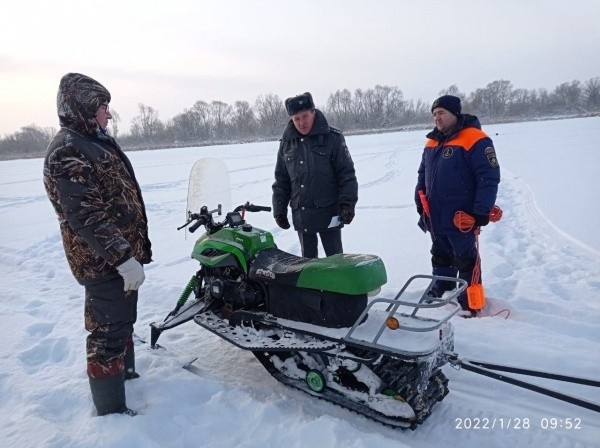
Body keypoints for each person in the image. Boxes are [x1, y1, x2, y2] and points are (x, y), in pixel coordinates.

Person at [43, 73, 152, 415]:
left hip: (117, 256)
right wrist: (122, 258)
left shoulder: (93, 140)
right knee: (107, 332)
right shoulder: (68, 150)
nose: (108, 114)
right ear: (86, 108)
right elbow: (85, 215)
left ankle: (126, 375)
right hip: (101, 261)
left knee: (122, 319)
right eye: (104, 107)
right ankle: (111, 410)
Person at [415, 95, 500, 317]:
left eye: (441, 113)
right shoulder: (432, 141)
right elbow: (422, 173)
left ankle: (471, 300)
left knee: (467, 258)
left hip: (461, 215)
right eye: (434, 114)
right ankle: (443, 285)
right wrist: (419, 200)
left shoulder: (475, 139)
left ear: (455, 114)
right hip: (436, 214)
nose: (437, 118)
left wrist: (481, 211)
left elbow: (488, 177)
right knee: (440, 253)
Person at [272, 92, 358, 258]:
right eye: (296, 119)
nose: (301, 123)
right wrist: (279, 209)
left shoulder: (333, 139)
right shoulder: (286, 144)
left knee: (335, 264)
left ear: (313, 112)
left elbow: (346, 175)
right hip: (302, 215)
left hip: (329, 214)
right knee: (307, 270)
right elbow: (282, 180)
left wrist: (347, 203)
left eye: (304, 116)